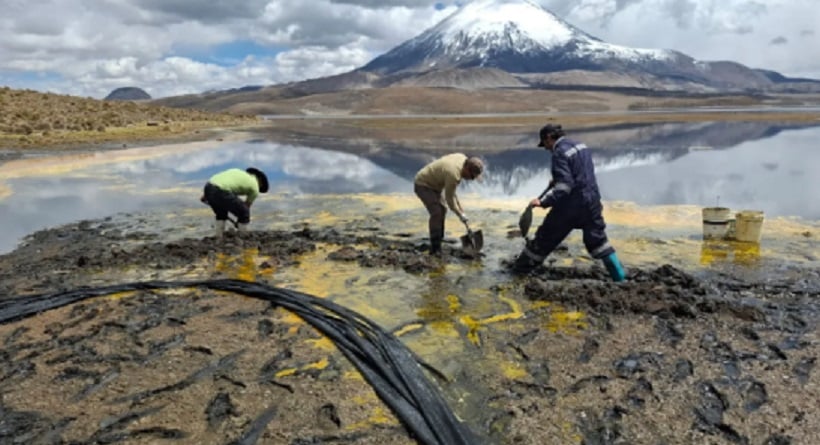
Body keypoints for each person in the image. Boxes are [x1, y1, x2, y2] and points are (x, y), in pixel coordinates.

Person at [513, 124, 625, 281]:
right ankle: (620, 278)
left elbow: (565, 187)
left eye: (545, 144)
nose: (546, 148)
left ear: (549, 138)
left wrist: (543, 202)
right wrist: (558, 179)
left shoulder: (559, 153)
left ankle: (519, 272)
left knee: (544, 238)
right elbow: (581, 172)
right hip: (592, 202)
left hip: (570, 207)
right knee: (599, 241)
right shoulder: (581, 146)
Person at [414, 154, 484, 255]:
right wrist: (460, 215)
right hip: (423, 184)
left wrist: (461, 211)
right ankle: (435, 248)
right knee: (437, 212)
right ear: (467, 169)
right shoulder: (453, 174)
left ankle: (439, 239)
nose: (471, 179)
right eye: (472, 176)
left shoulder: (462, 158)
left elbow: (452, 192)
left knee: (443, 209)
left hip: (435, 185)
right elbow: (450, 200)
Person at [200, 167, 269, 237]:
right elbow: (246, 207)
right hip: (221, 190)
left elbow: (221, 182)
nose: (259, 189)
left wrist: (207, 195)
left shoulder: (237, 172)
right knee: (244, 212)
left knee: (221, 213)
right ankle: (243, 235)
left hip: (208, 187)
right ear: (260, 181)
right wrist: (241, 221)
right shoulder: (255, 187)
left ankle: (218, 236)